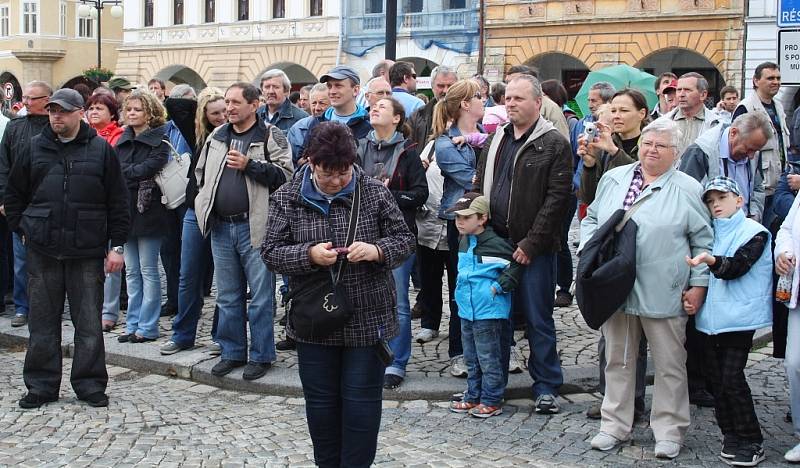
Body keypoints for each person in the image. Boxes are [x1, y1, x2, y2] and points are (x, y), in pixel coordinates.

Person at [261, 121, 415, 468]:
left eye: (344, 173)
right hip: (315, 320)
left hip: (367, 316)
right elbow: (270, 252)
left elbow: (404, 241)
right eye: (328, 173)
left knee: (361, 406)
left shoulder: (374, 192)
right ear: (311, 163)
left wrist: (376, 250)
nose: (337, 181)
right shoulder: (288, 196)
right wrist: (309, 255)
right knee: (321, 404)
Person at [581, 118, 713, 459]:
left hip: (664, 287)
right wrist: (587, 250)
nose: (651, 150)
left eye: (660, 146)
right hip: (615, 286)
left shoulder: (687, 188)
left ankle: (669, 431)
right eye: (647, 144)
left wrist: (698, 286)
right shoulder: (614, 178)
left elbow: (703, 240)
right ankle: (614, 424)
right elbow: (592, 218)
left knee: (670, 364)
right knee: (618, 359)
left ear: (675, 153)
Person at [5, 88, 129, 409]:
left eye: (62, 111)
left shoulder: (101, 150)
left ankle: (89, 384)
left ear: (79, 113)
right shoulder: (34, 148)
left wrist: (116, 246)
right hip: (43, 249)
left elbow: (118, 202)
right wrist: (23, 227)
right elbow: (13, 194)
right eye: (52, 111)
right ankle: (41, 385)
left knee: (88, 323)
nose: (56, 116)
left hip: (86, 250)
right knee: (42, 323)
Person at [474, 74, 572, 414]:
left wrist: (531, 243)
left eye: (518, 98)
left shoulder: (554, 143)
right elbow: (479, 183)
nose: (510, 104)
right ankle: (494, 385)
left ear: (537, 102)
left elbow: (557, 200)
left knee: (537, 319)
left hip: (535, 249)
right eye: (507, 99)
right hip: (496, 245)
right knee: (497, 318)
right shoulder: (496, 139)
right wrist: (475, 219)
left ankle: (546, 386)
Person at [194, 82, 292, 380]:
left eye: (236, 102)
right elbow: (200, 173)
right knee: (227, 296)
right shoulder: (217, 136)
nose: (230, 108)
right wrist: (203, 203)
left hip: (255, 226)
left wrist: (251, 165)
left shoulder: (269, 135)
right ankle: (232, 352)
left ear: (254, 104)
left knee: (261, 297)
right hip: (222, 227)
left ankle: (261, 355)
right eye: (227, 101)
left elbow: (287, 177)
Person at [685, 176, 771, 467]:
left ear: (739, 199)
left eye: (721, 198)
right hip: (709, 318)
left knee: (732, 378)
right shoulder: (708, 231)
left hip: (738, 318)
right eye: (711, 201)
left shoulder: (754, 232)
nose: (716, 205)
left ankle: (752, 438)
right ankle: (731, 434)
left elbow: (737, 266)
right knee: (716, 380)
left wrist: (711, 261)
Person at [577, 88, 651, 420]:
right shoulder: (609, 147)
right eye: (613, 110)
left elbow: (644, 183)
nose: (616, 116)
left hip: (641, 243)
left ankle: (633, 399)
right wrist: (591, 164)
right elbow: (592, 196)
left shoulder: (650, 145)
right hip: (609, 240)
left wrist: (613, 151)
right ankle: (610, 395)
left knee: (638, 328)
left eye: (623, 110)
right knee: (611, 325)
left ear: (642, 113)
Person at [358, 96, 428, 389]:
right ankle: (366, 356)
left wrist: (388, 196)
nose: (374, 108)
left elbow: (420, 194)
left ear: (397, 118)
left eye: (382, 107)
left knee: (397, 302)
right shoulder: (358, 147)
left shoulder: (409, 151)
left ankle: (396, 362)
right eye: (373, 106)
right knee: (363, 298)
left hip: (396, 236)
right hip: (362, 234)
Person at [160, 87, 227, 356]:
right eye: (215, 112)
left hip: (225, 212)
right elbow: (174, 103)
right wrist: (205, 98)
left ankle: (222, 336)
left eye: (225, 110)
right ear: (204, 115)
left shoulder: (238, 132)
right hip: (195, 209)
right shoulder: (198, 134)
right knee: (188, 275)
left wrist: (219, 101)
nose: (222, 116)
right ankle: (183, 334)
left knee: (226, 279)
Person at [448, 193, 521, 418]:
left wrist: (499, 287)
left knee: (489, 358)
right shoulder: (464, 241)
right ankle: (473, 395)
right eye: (458, 216)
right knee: (471, 357)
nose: (459, 221)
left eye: (466, 217)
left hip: (488, 311)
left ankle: (491, 399)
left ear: (482, 218)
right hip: (467, 310)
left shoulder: (494, 244)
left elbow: (515, 264)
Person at [432, 79, 484, 377]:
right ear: (465, 104)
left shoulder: (491, 136)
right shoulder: (445, 144)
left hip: (490, 220)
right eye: (478, 97)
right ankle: (459, 350)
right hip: (462, 222)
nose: (483, 101)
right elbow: (476, 181)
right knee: (460, 285)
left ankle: (495, 347)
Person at [115, 90, 170, 344]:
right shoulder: (122, 140)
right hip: (126, 210)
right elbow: (117, 171)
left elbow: (147, 169)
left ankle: (147, 326)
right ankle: (132, 323)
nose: (132, 113)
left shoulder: (159, 140)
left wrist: (129, 172)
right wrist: (131, 172)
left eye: (138, 109)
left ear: (150, 113)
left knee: (148, 270)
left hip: (149, 211)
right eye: (129, 109)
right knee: (132, 272)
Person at [0, 80, 52, 328]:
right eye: (26, 98)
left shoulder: (55, 127)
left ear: (47, 100)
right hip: (19, 204)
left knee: (48, 260)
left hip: (49, 204)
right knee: (21, 260)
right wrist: (4, 199)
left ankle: (49, 305)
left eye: (33, 98)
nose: (27, 102)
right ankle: (22, 306)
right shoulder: (14, 127)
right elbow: (3, 167)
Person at [680, 112, 772, 221]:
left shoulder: (754, 148)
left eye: (756, 151)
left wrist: (754, 216)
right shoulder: (700, 152)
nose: (751, 156)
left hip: (745, 229)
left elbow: (758, 188)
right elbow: (688, 201)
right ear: (733, 133)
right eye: (749, 149)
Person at [85, 93, 125, 332]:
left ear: (111, 113)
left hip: (108, 205)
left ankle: (109, 311)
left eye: (99, 108)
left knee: (111, 265)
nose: (94, 112)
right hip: (87, 208)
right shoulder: (83, 136)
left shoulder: (118, 137)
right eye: (91, 108)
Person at [733, 62, 789, 218]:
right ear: (756, 81)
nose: (776, 82)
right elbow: (736, 149)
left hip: (779, 185)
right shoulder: (746, 108)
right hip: (759, 189)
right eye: (770, 78)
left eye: (778, 78)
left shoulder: (778, 106)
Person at [295, 65, 371, 164]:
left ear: (355, 90)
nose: (332, 91)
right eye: (329, 86)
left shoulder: (367, 124)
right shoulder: (317, 121)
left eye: (338, 86)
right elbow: (301, 159)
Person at [657, 72, 722, 157]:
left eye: (687, 90)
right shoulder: (662, 123)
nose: (681, 94)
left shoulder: (717, 125)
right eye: (679, 90)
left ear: (703, 95)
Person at [504, 65, 570, 138]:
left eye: (514, 81)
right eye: (507, 82)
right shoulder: (506, 109)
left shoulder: (551, 108)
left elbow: (562, 141)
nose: (509, 85)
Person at [409, 65, 457, 149]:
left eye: (450, 86)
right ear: (432, 87)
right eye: (441, 86)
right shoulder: (418, 116)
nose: (445, 91)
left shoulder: (467, 114)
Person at [287, 83, 331, 164]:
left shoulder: (341, 129)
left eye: (322, 103)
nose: (317, 108)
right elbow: (291, 164)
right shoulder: (297, 129)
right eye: (314, 103)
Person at [256, 69, 308, 134]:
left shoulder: (301, 118)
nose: (271, 91)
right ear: (262, 91)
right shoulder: (255, 115)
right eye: (267, 87)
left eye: (276, 87)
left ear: (286, 91)